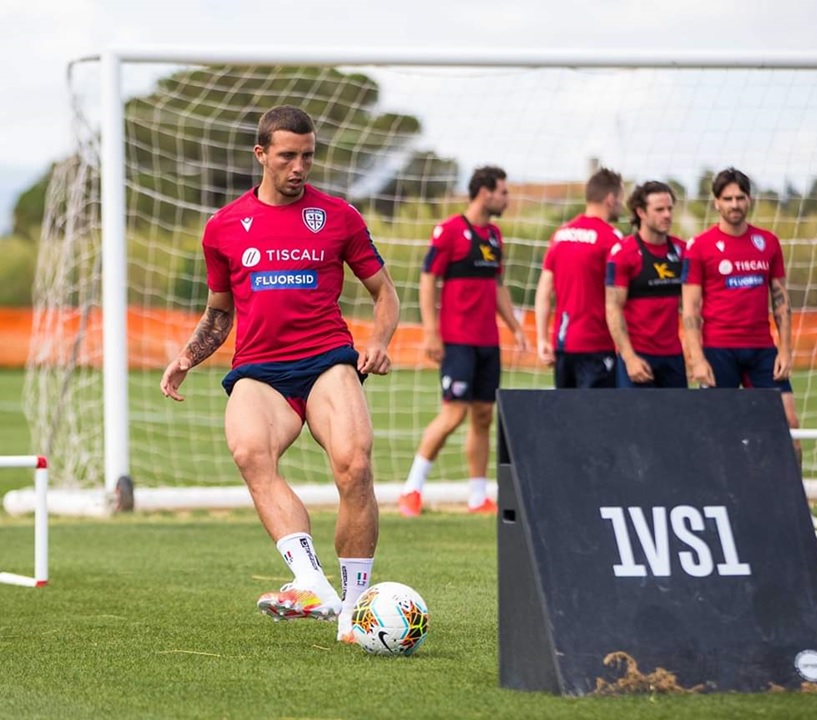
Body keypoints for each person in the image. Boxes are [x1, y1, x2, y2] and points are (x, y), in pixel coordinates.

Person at [159, 105, 400, 644]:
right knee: (249, 453)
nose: (299, 167)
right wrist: (187, 356)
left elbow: (385, 292)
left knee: (354, 466)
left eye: (308, 156)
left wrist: (378, 342)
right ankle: (310, 581)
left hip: (326, 359)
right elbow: (220, 310)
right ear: (261, 154)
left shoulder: (339, 216)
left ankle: (357, 610)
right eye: (288, 156)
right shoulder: (223, 227)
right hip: (259, 369)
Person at [398, 166, 527, 517]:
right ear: (484, 192)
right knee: (453, 414)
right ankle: (412, 489)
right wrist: (431, 331)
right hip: (456, 340)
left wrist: (515, 326)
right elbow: (428, 281)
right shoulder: (449, 232)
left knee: (484, 416)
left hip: (488, 341)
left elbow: (497, 285)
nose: (507, 198)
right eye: (503, 192)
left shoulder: (495, 236)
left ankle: (477, 497)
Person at [681, 167, 801, 464]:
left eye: (740, 197)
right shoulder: (699, 246)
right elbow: (690, 309)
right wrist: (697, 358)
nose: (735, 204)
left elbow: (781, 300)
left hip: (761, 348)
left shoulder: (768, 243)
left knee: (789, 424)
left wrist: (785, 349)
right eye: (728, 198)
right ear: (716, 202)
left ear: (749, 200)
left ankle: (793, 505)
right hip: (718, 350)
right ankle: (717, 503)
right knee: (715, 431)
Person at [534, 167, 624, 388]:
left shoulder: (560, 234)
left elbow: (544, 291)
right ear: (611, 199)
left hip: (563, 344)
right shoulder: (611, 238)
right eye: (621, 198)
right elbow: (619, 297)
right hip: (597, 344)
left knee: (568, 418)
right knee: (597, 418)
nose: (622, 204)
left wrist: (542, 338)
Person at [605, 181, 688, 388]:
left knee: (678, 420)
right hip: (638, 358)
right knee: (636, 420)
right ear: (641, 212)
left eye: (669, 209)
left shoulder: (683, 251)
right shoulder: (623, 253)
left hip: (673, 358)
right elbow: (613, 308)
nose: (667, 215)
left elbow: (694, 304)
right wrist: (629, 357)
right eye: (659, 210)